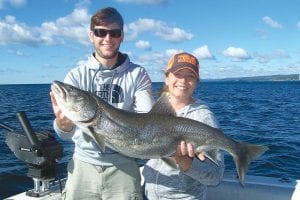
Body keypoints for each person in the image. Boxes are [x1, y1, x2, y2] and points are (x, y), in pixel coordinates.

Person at [50, 7, 154, 200]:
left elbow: (148, 120)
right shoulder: (76, 76)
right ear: (91, 35)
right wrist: (62, 125)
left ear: (121, 36)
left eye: (114, 33)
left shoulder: (137, 74)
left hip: (124, 167)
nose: (107, 38)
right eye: (100, 32)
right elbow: (66, 133)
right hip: (83, 166)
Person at [142, 52, 224, 200]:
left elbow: (215, 176)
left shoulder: (203, 117)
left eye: (190, 76)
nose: (183, 80)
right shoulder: (156, 108)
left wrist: (187, 163)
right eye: (178, 74)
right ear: (167, 78)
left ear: (196, 82)